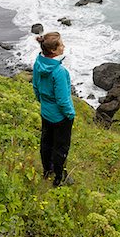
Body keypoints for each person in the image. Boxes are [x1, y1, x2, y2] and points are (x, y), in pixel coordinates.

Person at [33, 32, 75, 187]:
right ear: (53, 51)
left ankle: (46, 171)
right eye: (61, 45)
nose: (64, 46)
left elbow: (36, 87)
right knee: (61, 147)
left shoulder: (38, 63)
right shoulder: (59, 72)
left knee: (46, 142)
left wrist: (43, 103)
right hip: (60, 117)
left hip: (46, 112)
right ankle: (58, 178)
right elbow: (63, 100)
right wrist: (70, 115)